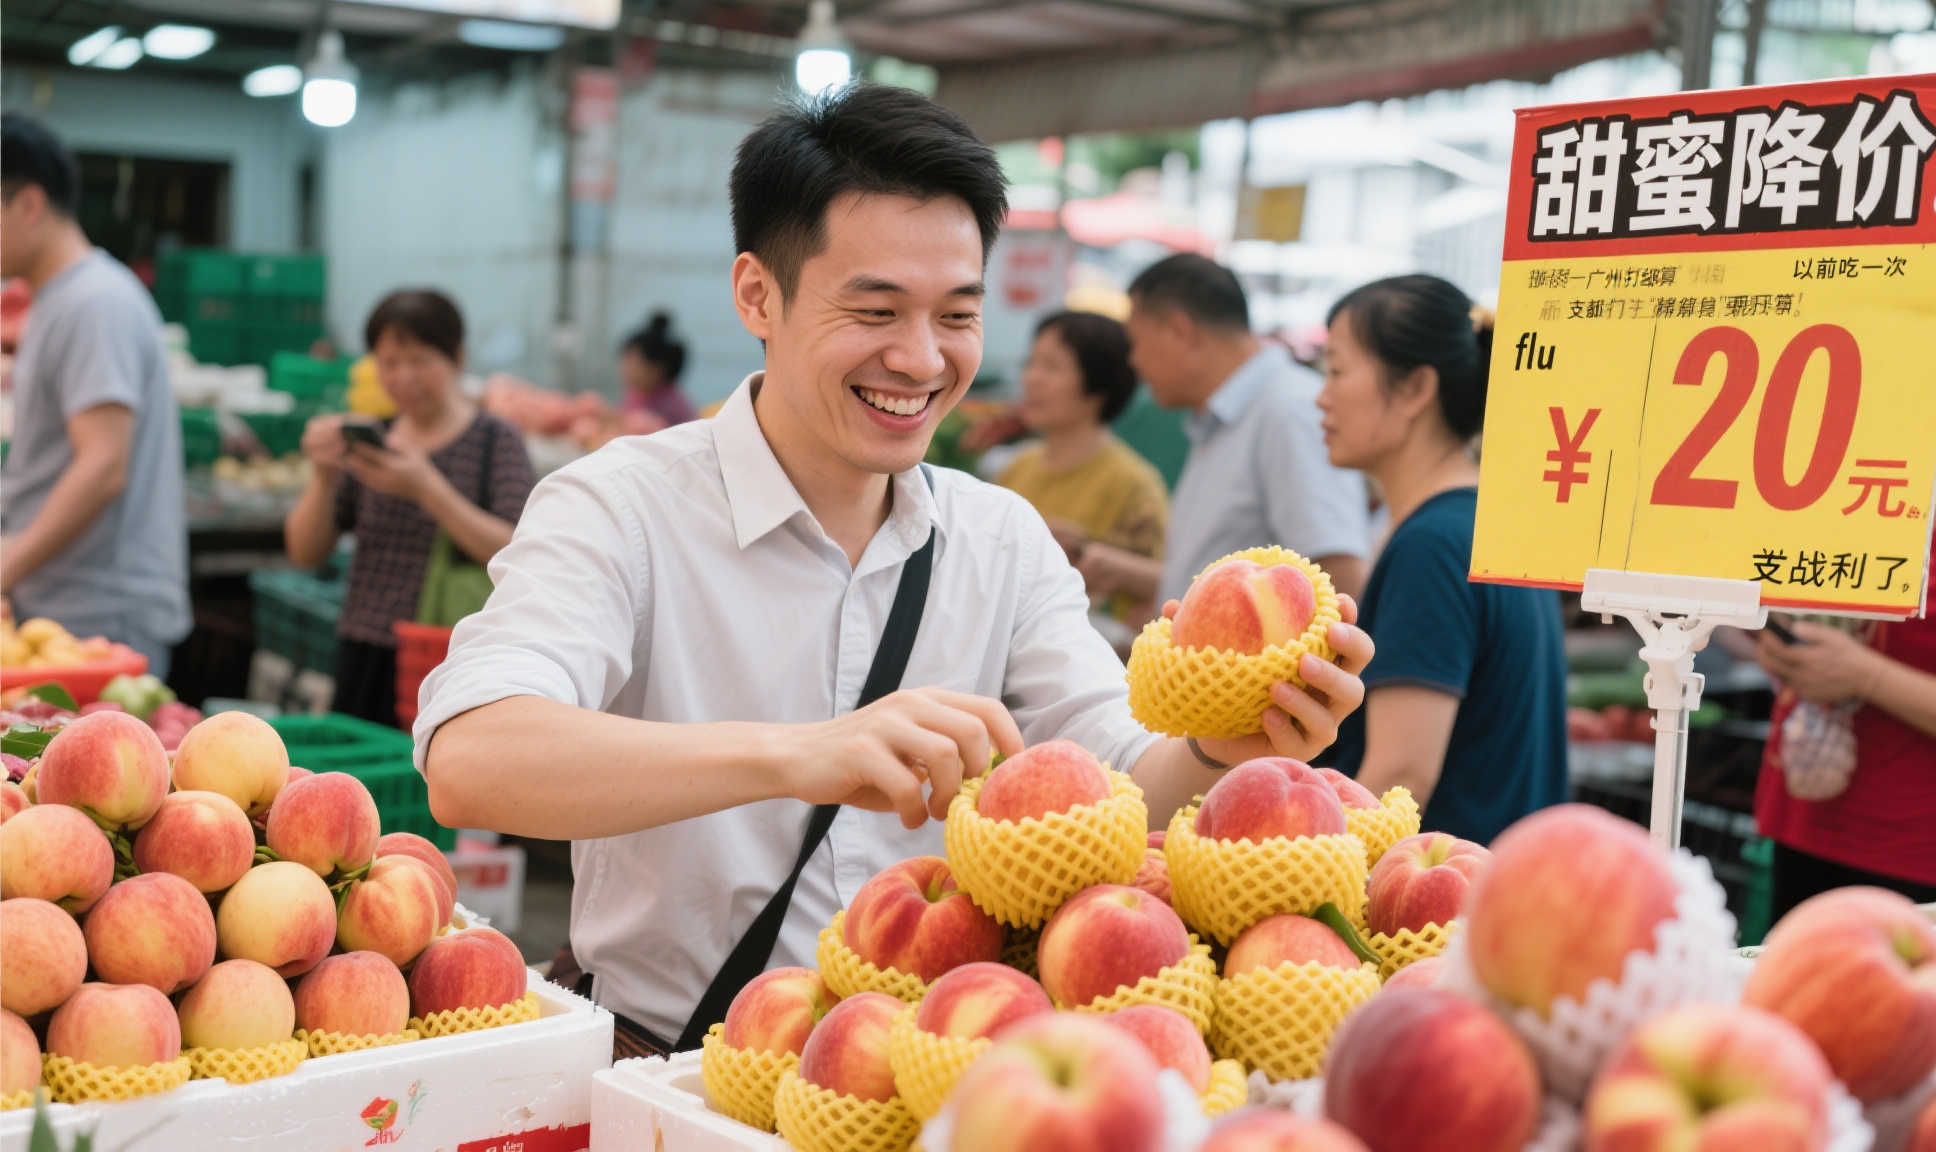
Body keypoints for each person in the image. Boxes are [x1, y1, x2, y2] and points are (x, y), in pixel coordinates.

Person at [411, 85, 1374, 1058]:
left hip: (922, 1081)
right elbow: (471, 759)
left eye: (956, 315)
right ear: (757, 294)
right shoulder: (621, 505)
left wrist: (1223, 744)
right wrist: (797, 754)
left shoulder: (999, 537)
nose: (919, 360)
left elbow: (1121, 782)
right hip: (672, 1074)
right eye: (874, 310)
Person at [1755, 268, 1936, 915]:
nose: (1924, 371)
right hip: (1809, 820)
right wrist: (1780, 648)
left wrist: (1866, 674)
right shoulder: (1870, 491)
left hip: (1925, 861)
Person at [1314, 275, 1568, 844]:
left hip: (1433, 914)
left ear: (1414, 389)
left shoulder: (1433, 545)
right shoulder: (1484, 521)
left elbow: (1401, 776)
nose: (1320, 396)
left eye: (1335, 370)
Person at [285, 290, 536, 727]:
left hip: (452, 654)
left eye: (420, 360)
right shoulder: (372, 441)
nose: (404, 377)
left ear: (457, 358)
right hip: (365, 649)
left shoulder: (496, 440)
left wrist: (427, 489)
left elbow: (519, 552)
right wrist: (324, 476)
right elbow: (305, 552)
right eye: (388, 363)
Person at [1076, 253, 1370, 614]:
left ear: (1179, 330)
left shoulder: (1287, 411)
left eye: (1136, 342)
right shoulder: (1224, 416)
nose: (1134, 361)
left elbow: (1339, 576)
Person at [0, 112, 189, 672]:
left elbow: (103, 465)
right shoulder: (58, 300)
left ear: (28, 204)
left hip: (102, 614)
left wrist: (6, 564)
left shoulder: (94, 303)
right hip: (64, 604)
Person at [997, 310, 1170, 625]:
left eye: (1051, 367)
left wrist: (1096, 556)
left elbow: (1174, 581)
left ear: (1097, 385)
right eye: (1031, 363)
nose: (1031, 378)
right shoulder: (1017, 467)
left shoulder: (1135, 484)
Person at [618, 310, 696, 428]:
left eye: (634, 364)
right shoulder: (637, 395)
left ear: (657, 369)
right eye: (625, 361)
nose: (625, 370)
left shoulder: (672, 406)